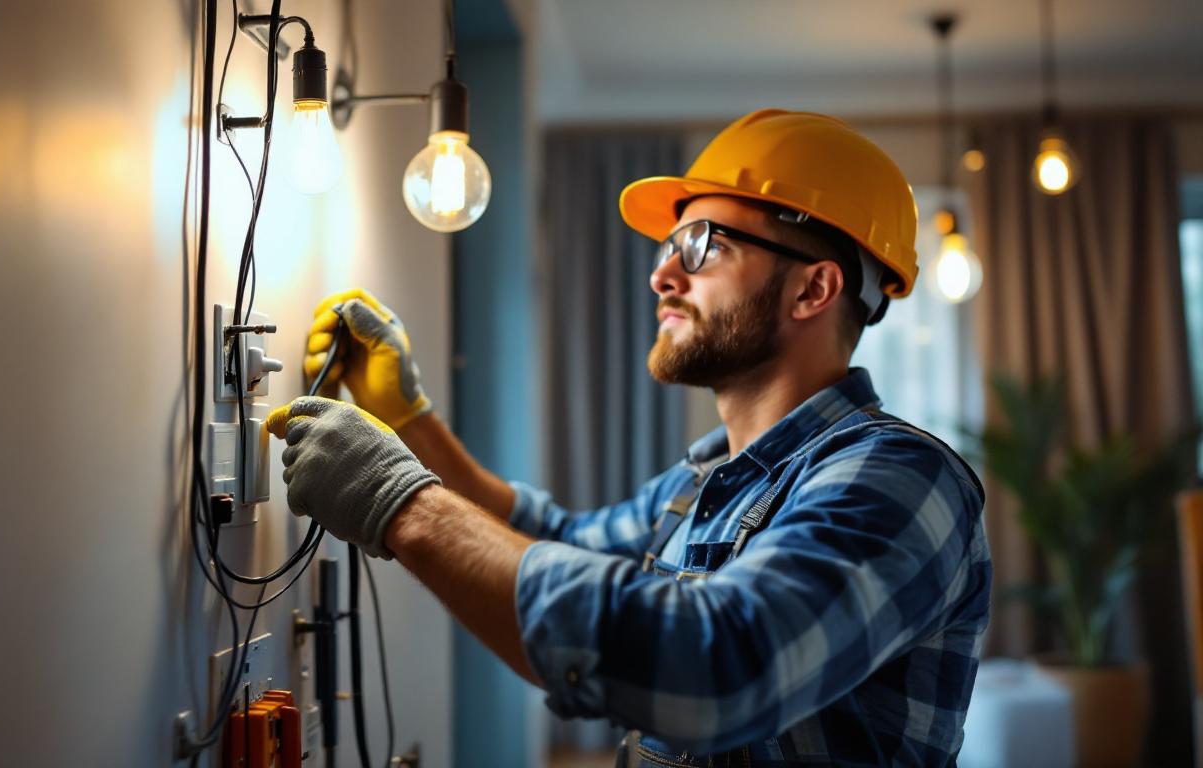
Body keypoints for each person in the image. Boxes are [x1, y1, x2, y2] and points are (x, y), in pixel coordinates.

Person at [267, 110, 991, 767]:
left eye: (701, 246)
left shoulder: (901, 477)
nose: (661, 274)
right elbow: (549, 540)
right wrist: (410, 423)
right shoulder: (703, 482)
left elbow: (718, 668)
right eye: (671, 245)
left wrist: (400, 504)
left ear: (813, 290)